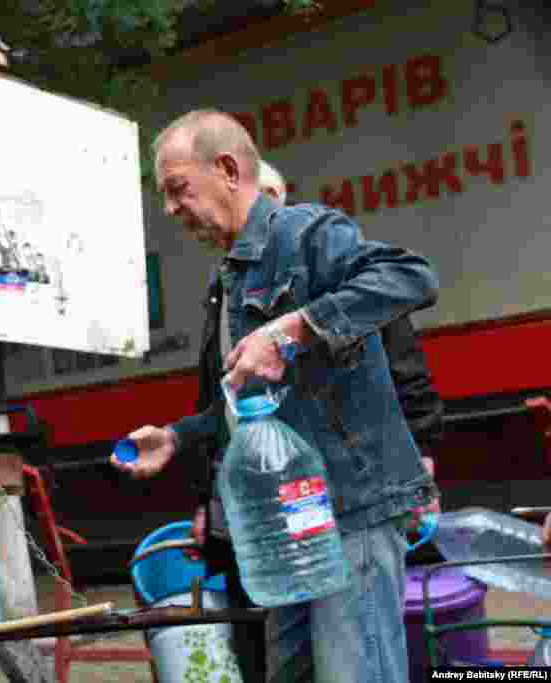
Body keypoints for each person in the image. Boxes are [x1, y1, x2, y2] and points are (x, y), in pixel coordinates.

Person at [111, 108, 440, 683]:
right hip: (289, 524)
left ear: (230, 169)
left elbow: (412, 276)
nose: (169, 209)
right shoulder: (228, 279)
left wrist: (293, 328)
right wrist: (178, 436)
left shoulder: (306, 233)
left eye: (177, 189)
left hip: (352, 510)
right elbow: (248, 403)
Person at [258, 159, 445, 504]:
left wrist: (421, 453)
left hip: (364, 486)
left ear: (271, 195)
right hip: (288, 489)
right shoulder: (226, 290)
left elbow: (404, 364)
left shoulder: (339, 266)